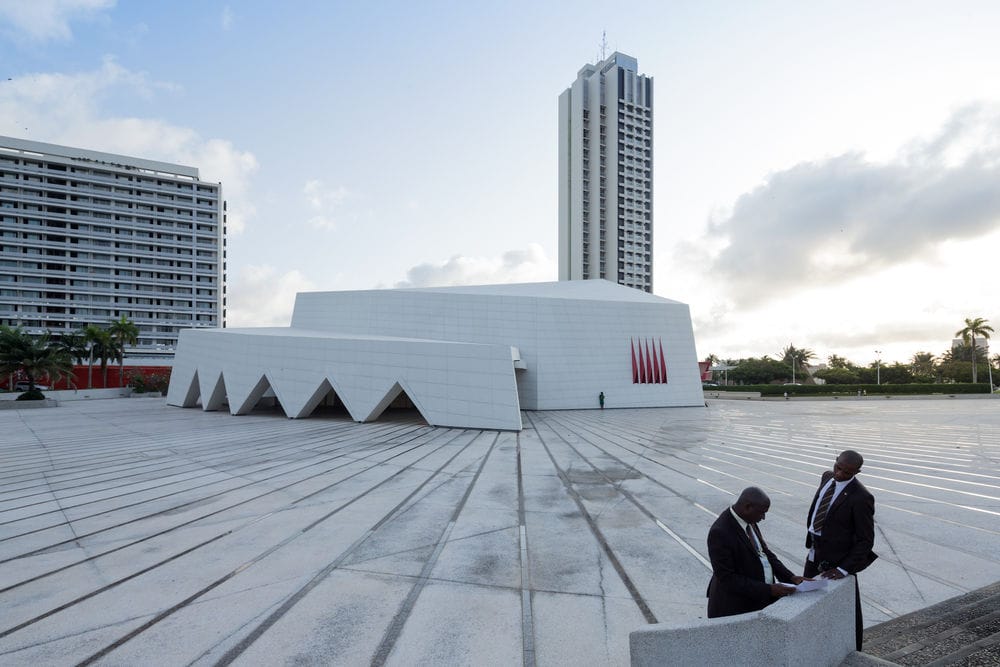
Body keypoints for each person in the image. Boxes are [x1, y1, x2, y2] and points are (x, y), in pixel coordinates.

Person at [804, 450, 877, 651]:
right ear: (835, 462)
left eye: (847, 472)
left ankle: (852, 647)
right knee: (806, 598)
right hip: (814, 552)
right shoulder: (827, 477)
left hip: (837, 561)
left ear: (857, 472)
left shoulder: (861, 497)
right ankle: (811, 642)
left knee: (846, 608)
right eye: (839, 467)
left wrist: (844, 569)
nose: (840, 474)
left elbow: (865, 540)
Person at [707, 487, 804, 618]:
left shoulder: (749, 521)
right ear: (748, 507)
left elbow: (765, 554)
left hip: (758, 599)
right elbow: (728, 578)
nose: (763, 518)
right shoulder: (720, 532)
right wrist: (769, 590)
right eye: (762, 513)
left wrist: (791, 578)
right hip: (736, 607)